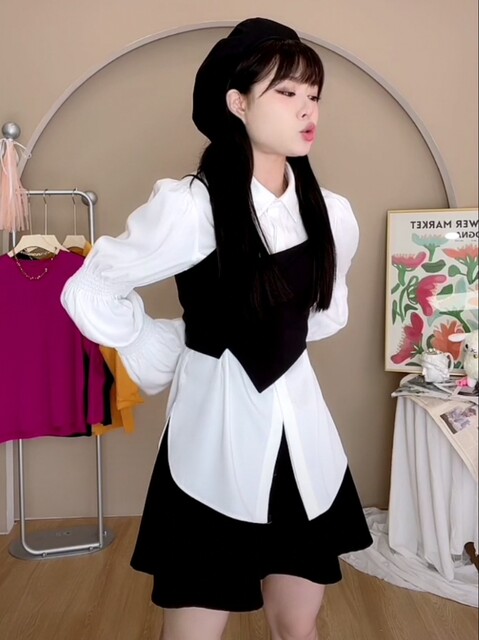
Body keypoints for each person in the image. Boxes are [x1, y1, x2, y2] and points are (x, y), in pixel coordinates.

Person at [61, 17, 372, 640]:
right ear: (238, 103)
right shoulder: (191, 206)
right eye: (287, 92)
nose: (307, 109)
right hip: (213, 443)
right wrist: (170, 344)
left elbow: (324, 315)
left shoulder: (331, 214)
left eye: (314, 95)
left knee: (299, 626)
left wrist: (271, 335)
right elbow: (89, 286)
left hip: (303, 441)